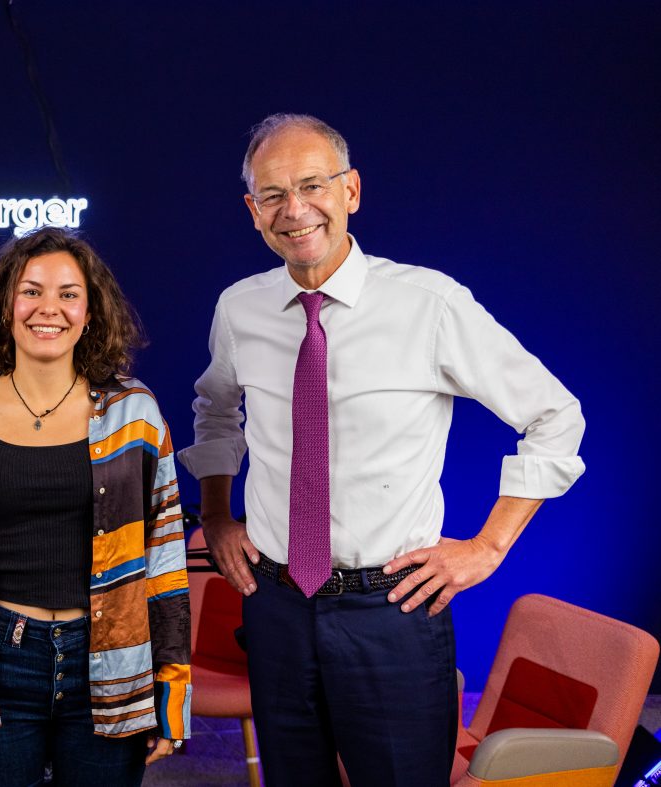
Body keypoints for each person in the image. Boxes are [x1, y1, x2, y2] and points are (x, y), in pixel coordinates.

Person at [181, 113, 586, 786]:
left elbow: (554, 416)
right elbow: (215, 409)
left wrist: (487, 545)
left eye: (312, 184)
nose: (295, 209)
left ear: (351, 191)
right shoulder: (239, 309)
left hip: (390, 612)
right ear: (253, 211)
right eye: (273, 195)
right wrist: (217, 514)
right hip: (275, 606)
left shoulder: (427, 304)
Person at [0, 227, 191, 786]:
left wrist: (172, 690)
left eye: (68, 293)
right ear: (5, 305)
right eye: (31, 290)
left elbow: (165, 560)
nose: (49, 308)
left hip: (111, 665)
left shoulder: (133, 411)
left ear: (90, 312)